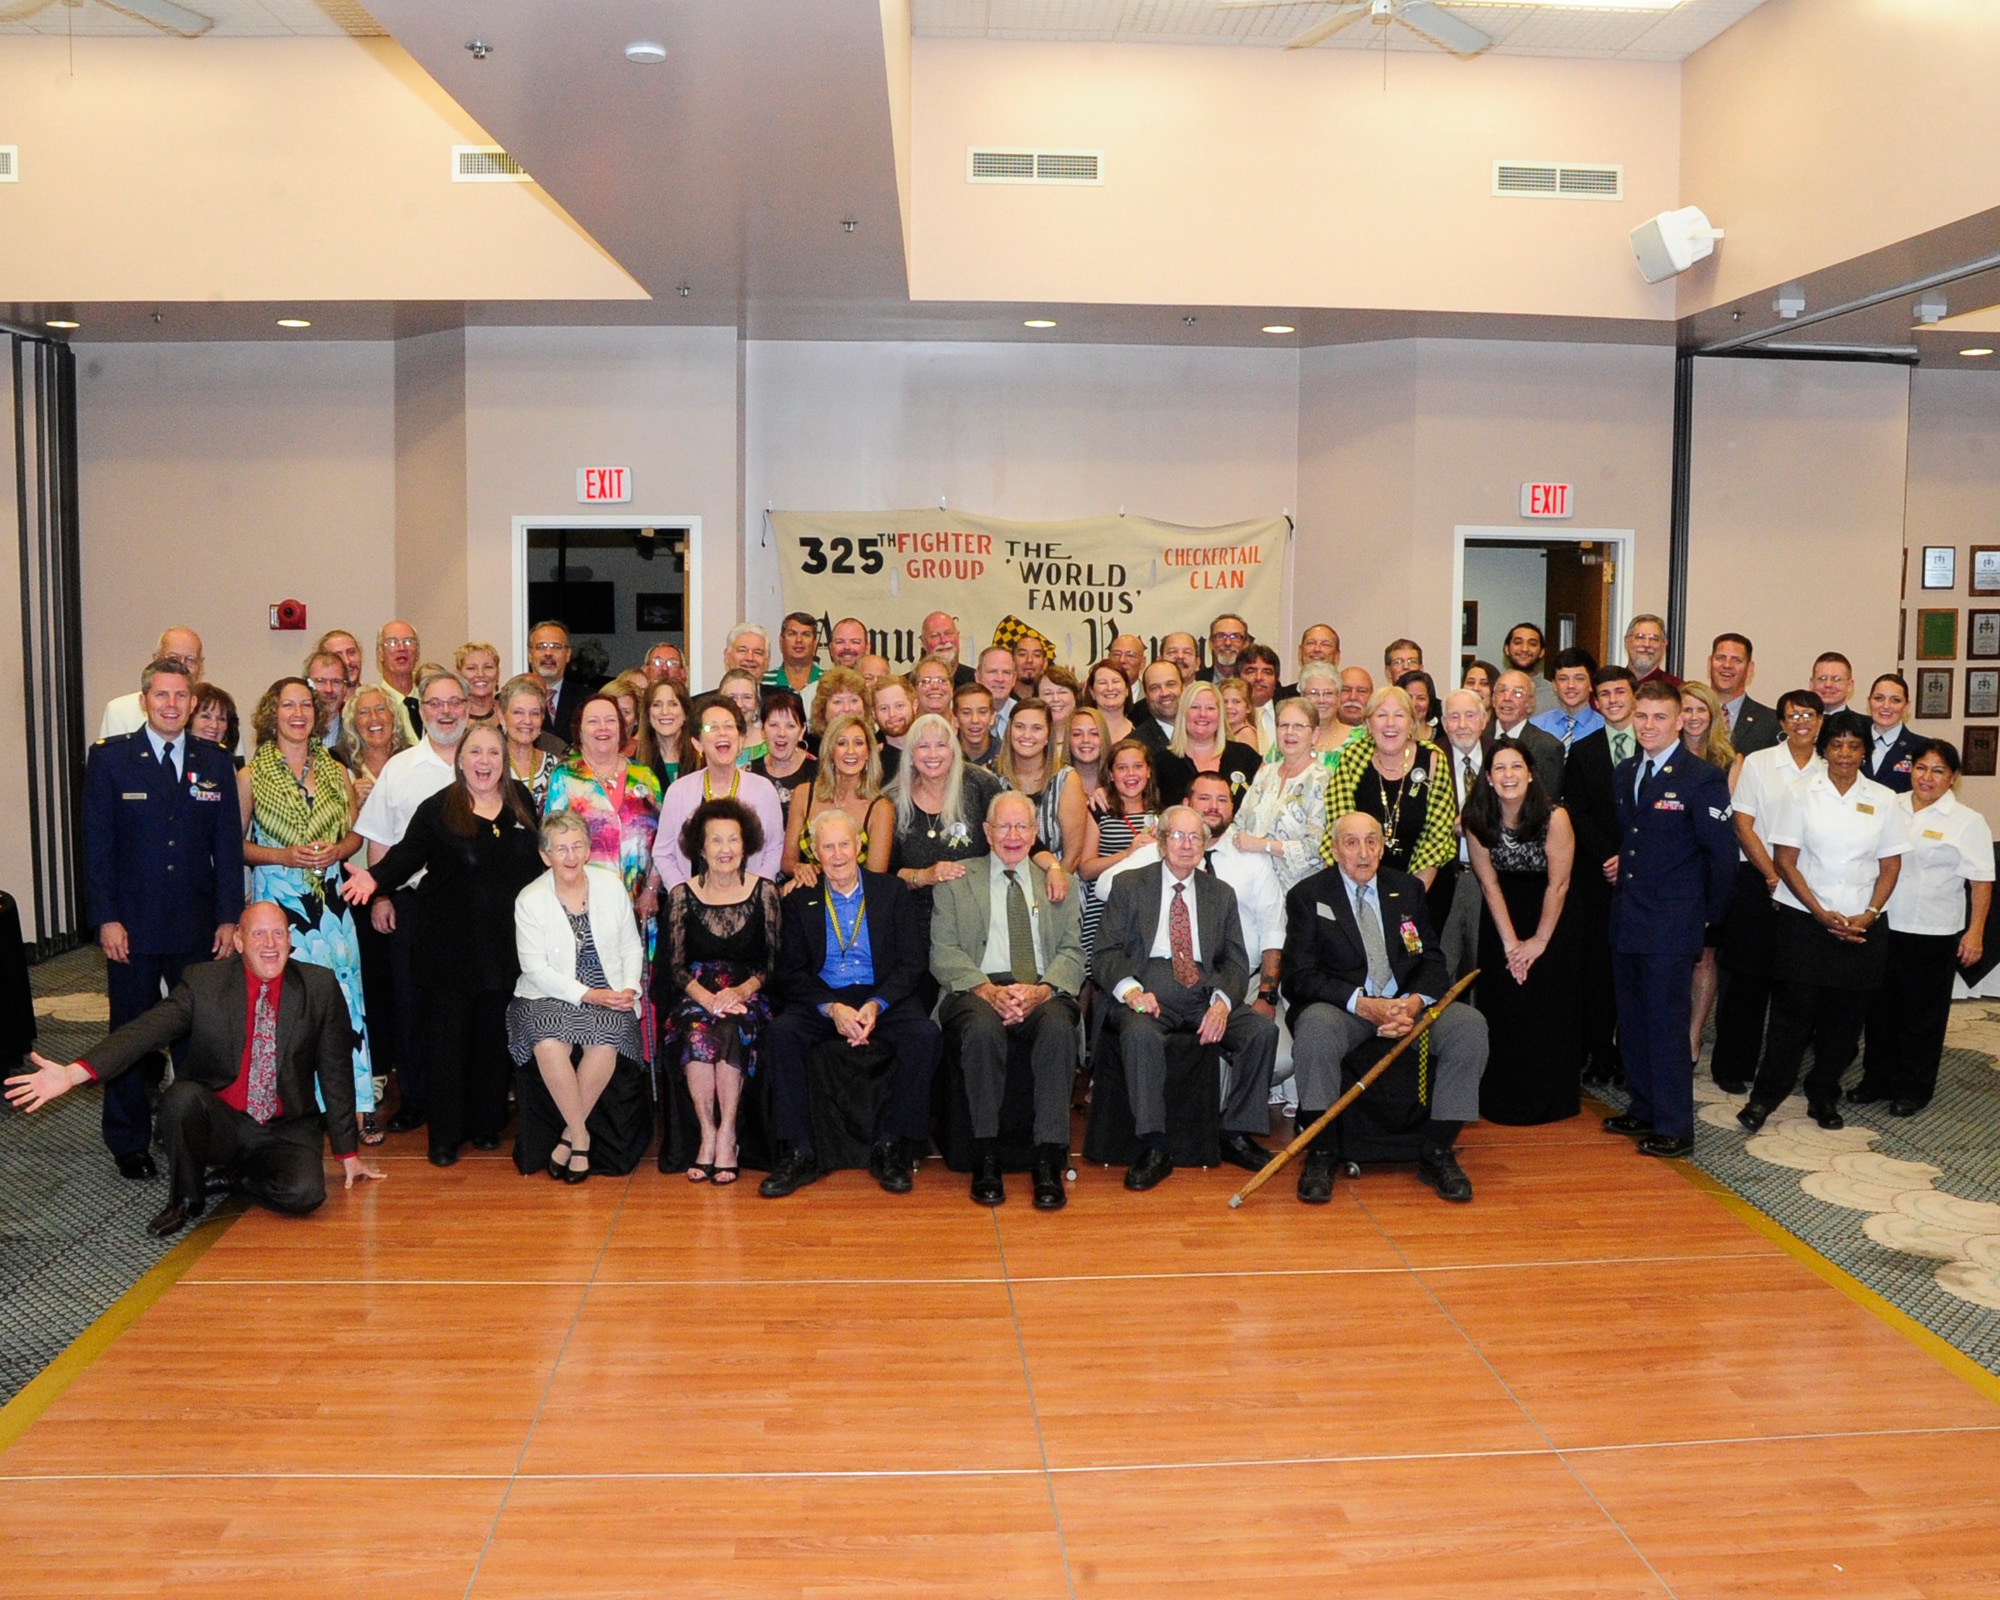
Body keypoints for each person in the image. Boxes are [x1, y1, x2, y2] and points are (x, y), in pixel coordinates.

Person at [7, 903, 384, 1237]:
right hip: (221, 1120)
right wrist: (75, 1073)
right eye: (258, 934)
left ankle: (234, 1177)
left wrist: (347, 1152)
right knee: (183, 1097)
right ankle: (187, 1198)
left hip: (285, 1127)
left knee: (306, 1195)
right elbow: (143, 1032)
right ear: (238, 942)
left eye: (278, 933)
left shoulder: (318, 986)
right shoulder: (205, 983)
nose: (270, 944)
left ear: (290, 940)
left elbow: (335, 1069)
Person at [339, 724, 542, 1165]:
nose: (484, 761)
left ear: (504, 760)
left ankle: (487, 1126)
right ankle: (445, 1137)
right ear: (460, 759)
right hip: (448, 950)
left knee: (492, 1041)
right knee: (447, 1046)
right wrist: (375, 881)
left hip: (504, 949)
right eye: (475, 752)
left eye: (493, 752)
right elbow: (406, 855)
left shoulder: (521, 804)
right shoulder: (438, 808)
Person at [83, 655, 246, 1178]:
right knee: (130, 1033)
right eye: (162, 696)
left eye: (181, 696)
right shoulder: (111, 759)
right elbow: (97, 847)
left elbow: (226, 847)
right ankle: (128, 1140)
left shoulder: (216, 760)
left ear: (193, 701)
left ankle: (199, 1134)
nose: (172, 705)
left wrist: (229, 918)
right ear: (145, 700)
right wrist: (105, 917)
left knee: (199, 1036)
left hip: (198, 925)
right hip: (130, 925)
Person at [1282, 811, 1489, 1204]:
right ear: (1335, 848)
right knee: (1315, 1029)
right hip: (1346, 1007)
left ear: (1382, 846)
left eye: (1372, 841)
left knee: (1468, 1026)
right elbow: (1300, 976)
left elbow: (1431, 960)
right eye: (1352, 842)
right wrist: (1362, 1004)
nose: (1363, 852)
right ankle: (1322, 1152)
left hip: (1407, 1006)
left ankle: (1438, 1150)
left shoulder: (1406, 889)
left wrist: (1412, 1003)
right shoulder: (1309, 896)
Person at [1737, 710, 1908, 1134]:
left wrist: (1867, 914)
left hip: (1862, 925)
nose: (1845, 754)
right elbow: (1786, 861)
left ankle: (1823, 1094)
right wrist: (1818, 911)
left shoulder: (1884, 798)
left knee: (1845, 1022)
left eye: (1853, 745)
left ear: (1865, 750)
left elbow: (1890, 866)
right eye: (1836, 745)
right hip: (1805, 921)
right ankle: (1764, 1098)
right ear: (1824, 749)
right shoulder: (1799, 792)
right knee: (1791, 1018)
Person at [759, 809, 943, 1199]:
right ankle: (799, 1150)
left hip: (880, 996)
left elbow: (912, 962)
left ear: (859, 846)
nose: (838, 854)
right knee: (780, 1034)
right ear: (815, 852)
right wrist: (832, 1009)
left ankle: (892, 1145)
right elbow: (789, 973)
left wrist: (876, 1005)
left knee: (925, 1036)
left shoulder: (890, 891)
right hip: (824, 998)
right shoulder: (799, 898)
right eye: (828, 846)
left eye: (844, 844)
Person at [1093, 805, 1278, 1190]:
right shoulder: (1129, 885)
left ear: (1206, 844)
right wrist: (1131, 992)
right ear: (1162, 843)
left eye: (1195, 837)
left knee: (1260, 1031)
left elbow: (1235, 959)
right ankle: (1155, 1145)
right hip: (1147, 988)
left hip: (1204, 990)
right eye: (1177, 835)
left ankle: (1235, 1133)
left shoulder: (1220, 894)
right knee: (1140, 1035)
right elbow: (1105, 953)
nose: (1186, 844)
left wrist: (1223, 1004)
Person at [237, 677, 376, 1143]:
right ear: (271, 713)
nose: (297, 713)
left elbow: (358, 834)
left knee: (342, 1003)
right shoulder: (249, 775)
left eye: (305, 705)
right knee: (285, 1007)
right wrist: (284, 855)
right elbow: (236, 846)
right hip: (277, 906)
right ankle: (288, 1110)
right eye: (287, 705)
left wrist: (338, 849)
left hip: (332, 907)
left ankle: (350, 1110)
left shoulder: (336, 771)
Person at [930, 791, 1085, 1209]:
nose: (1013, 835)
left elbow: (1073, 951)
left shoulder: (1057, 883)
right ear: (986, 831)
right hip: (976, 986)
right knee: (981, 1029)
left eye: (1022, 827)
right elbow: (943, 952)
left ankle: (1049, 1159)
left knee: (1056, 1027)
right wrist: (988, 991)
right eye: (1003, 826)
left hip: (1042, 985)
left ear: (1035, 832)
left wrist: (1041, 991)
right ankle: (985, 1156)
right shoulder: (959, 880)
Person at [1604, 679, 1737, 1158]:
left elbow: (1721, 857)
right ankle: (1643, 1106)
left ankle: (1676, 1126)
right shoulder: (1626, 772)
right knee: (1634, 1020)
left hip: (1674, 922)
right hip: (1629, 917)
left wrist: (1708, 921)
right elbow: (1634, 839)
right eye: (1641, 716)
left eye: (1660, 717)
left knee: (1665, 1024)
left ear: (1681, 721)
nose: (1648, 726)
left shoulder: (1701, 778)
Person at [354, 665, 471, 1134]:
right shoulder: (399, 769)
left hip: (473, 909)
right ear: (421, 711)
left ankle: (468, 1100)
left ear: (467, 708)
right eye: (436, 704)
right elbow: (379, 842)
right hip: (413, 904)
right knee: (412, 1003)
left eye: (454, 703)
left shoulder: (484, 759)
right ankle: (417, 1098)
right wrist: (381, 895)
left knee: (470, 1005)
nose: (446, 712)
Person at [1855, 739, 1994, 1115]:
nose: (1927, 777)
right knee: (1880, 1009)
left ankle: (1914, 1087)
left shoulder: (1967, 821)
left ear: (1953, 778)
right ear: (1910, 769)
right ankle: (1876, 1080)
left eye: (1938, 771)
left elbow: (1981, 881)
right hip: (1884, 924)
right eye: (1920, 768)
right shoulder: (1890, 805)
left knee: (1921, 1015)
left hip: (1933, 931)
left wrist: (1975, 931)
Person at [507, 811, 646, 1183]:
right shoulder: (530, 899)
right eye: (560, 849)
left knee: (606, 1040)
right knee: (549, 1042)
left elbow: (632, 945)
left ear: (588, 850)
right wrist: (588, 995)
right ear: (545, 855)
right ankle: (581, 1134)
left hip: (610, 985)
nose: (570, 856)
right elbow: (535, 969)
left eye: (577, 846)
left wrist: (629, 986)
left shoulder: (610, 885)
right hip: (548, 993)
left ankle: (568, 1136)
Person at [661, 797, 782, 1186]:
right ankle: (707, 1132)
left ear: (746, 845)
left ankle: (728, 1134)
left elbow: (772, 964)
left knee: (730, 1030)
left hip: (750, 993)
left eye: (733, 840)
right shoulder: (681, 895)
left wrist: (742, 992)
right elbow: (675, 967)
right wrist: (707, 998)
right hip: (696, 993)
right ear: (701, 847)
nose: (725, 849)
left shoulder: (765, 892)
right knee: (698, 1031)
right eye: (716, 841)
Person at [1710, 692, 1826, 1094]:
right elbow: (1743, 824)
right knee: (1747, 981)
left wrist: (1795, 883)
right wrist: (1773, 875)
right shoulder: (1759, 762)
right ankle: (1732, 1066)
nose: (1801, 722)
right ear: (1781, 721)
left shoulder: (1829, 770)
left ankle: (1781, 1071)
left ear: (1821, 721)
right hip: (1757, 881)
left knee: (1795, 984)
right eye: (1793, 715)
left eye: (1809, 715)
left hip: (1809, 892)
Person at [543, 696, 664, 1058]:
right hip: (584, 906)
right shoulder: (565, 777)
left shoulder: (645, 775)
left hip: (641, 903)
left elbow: (664, 838)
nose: (603, 729)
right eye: (593, 721)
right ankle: (595, 1063)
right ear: (579, 730)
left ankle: (635, 1063)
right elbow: (552, 842)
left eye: (610, 721)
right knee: (594, 984)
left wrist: (653, 889)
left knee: (636, 984)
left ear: (623, 728)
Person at [1464, 746, 1579, 1124]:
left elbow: (1558, 885)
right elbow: (1488, 882)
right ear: (1488, 777)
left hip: (1549, 914)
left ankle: (1549, 1100)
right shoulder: (1477, 817)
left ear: (1530, 773)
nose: (1508, 774)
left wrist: (1538, 942)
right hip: (1500, 916)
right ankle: (1499, 1098)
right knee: (1503, 1004)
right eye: (1500, 768)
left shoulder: (1555, 816)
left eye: (1517, 766)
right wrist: (1512, 944)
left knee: (1543, 1006)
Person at [1558, 666, 1638, 1085]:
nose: (1612, 700)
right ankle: (1601, 1057)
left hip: (1645, 879)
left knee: (1637, 971)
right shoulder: (1584, 750)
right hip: (1597, 877)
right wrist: (1609, 855)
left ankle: (1631, 1057)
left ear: (1634, 695)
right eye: (1604, 694)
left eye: (1619, 692)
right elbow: (1577, 809)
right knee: (1598, 972)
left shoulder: (1653, 745)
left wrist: (1631, 856)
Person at [1316, 685, 1456, 888]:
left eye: (1399, 715)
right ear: (1369, 724)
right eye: (1381, 715)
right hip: (1359, 881)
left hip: (1424, 883)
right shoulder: (1353, 758)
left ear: (1411, 723)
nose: (1390, 724)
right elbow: (1340, 826)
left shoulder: (1433, 758)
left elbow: (1438, 834)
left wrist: (1412, 892)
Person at [889, 712, 1007, 949]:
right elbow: (885, 874)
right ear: (911, 755)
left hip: (978, 920)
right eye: (923, 746)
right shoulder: (892, 802)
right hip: (913, 924)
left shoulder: (981, 784)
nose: (933, 754)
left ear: (953, 750)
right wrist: (924, 876)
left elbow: (1007, 842)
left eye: (941, 745)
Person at [656, 698, 787, 888]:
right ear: (697, 743)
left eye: (728, 726)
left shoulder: (764, 789)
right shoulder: (678, 791)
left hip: (751, 897)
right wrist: (681, 890)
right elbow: (662, 852)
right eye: (711, 728)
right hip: (692, 900)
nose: (722, 733)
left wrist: (757, 889)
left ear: (741, 740)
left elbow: (775, 848)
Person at [1680, 680, 1741, 1057]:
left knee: (1705, 956)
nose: (1694, 717)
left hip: (1710, 870)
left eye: (1701, 709)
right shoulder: (1659, 753)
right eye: (1687, 709)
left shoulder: (1731, 761)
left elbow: (1724, 822)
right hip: (1671, 870)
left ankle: (1693, 1033)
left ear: (1714, 715)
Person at [1228, 696, 1331, 892]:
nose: (1289, 732)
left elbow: (1316, 849)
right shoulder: (1265, 773)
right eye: (1283, 725)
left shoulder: (1321, 780)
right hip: (1250, 884)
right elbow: (1238, 823)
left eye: (1299, 726)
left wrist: (1262, 845)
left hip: (1297, 892)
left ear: (1315, 734)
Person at [782, 713, 895, 886]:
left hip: (856, 898)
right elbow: (787, 862)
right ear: (830, 751)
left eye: (858, 743)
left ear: (868, 753)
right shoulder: (803, 794)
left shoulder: (880, 808)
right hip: (809, 890)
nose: (851, 751)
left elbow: (876, 879)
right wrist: (799, 868)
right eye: (842, 743)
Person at [1431, 688, 1495, 981]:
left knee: (1486, 964)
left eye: (1470, 715)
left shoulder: (1502, 755)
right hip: (1444, 878)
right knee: (1442, 963)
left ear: (1484, 719)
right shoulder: (1429, 758)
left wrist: (1472, 822)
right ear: (1444, 723)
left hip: (1492, 878)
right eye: (1454, 717)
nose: (1462, 724)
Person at [1079, 738, 1161, 959]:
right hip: (1105, 911)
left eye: (1138, 766)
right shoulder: (1099, 810)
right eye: (1122, 768)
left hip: (1149, 914)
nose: (1131, 774)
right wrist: (1127, 854)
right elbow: (1085, 870)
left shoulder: (1162, 814)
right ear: (1111, 775)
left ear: (1149, 771)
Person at [1155, 680, 1261, 809]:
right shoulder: (1161, 763)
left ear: (1220, 714)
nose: (1203, 714)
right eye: (1195, 707)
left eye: (1210, 708)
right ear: (1183, 713)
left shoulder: (1245, 756)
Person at [99, 626, 205, 740]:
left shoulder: (214, 713)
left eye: (190, 660)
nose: (181, 665)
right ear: (156, 658)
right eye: (174, 658)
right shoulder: (120, 711)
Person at [1489, 671, 1566, 798]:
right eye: (1502, 691)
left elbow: (1548, 802)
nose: (1507, 698)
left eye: (1517, 693)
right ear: (1493, 700)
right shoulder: (1479, 739)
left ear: (1530, 705)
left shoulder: (1548, 747)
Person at [1708, 632, 1779, 754]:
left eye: (1736, 660)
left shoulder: (1771, 722)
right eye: (1721, 658)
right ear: (1710, 663)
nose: (1727, 665)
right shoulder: (1687, 715)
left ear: (1750, 668)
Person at [527, 620, 593, 742]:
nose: (548, 653)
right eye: (541, 647)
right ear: (530, 654)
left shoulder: (589, 700)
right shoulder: (510, 700)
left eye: (556, 647)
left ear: (567, 654)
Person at [498, 676, 558, 808]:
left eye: (535, 713)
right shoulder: (490, 765)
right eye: (518, 712)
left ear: (543, 718)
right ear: (502, 716)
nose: (527, 721)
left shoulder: (555, 767)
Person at [751, 686, 817, 805]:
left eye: (790, 726)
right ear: (762, 729)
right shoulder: (750, 772)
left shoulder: (818, 773)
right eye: (774, 725)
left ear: (801, 731)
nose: (781, 733)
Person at [1531, 647, 1604, 750]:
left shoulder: (1604, 727)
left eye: (1579, 679)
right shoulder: (1536, 727)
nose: (1571, 685)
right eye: (1563, 679)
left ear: (1591, 684)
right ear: (1554, 685)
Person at [1863, 673, 1922, 793]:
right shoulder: (1852, 743)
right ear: (1869, 702)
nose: (1886, 706)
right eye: (1879, 698)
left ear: (1906, 706)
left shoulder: (1922, 748)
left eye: (1895, 700)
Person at [639, 678, 694, 792]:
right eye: (656, 705)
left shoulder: (702, 760)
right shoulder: (635, 764)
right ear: (648, 714)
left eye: (673, 704)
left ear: (686, 713)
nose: (664, 711)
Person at [374, 620, 424, 745]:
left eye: (408, 642)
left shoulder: (430, 701)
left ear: (417, 653)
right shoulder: (374, 706)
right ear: (380, 654)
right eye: (392, 643)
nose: (401, 648)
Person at [1501, 622, 1557, 712]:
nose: (1525, 649)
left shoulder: (1554, 694)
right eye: (1518, 642)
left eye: (1532, 644)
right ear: (1507, 649)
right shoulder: (1494, 689)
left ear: (1542, 652)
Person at [809, 667, 867, 752]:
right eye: (838, 702)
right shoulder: (808, 748)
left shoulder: (876, 746)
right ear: (823, 709)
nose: (847, 709)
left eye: (854, 700)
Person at [1236, 644, 1283, 750]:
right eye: (1251, 671)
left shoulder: (1289, 713)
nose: (1259, 678)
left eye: (1267, 672)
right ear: (1237, 677)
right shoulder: (1225, 716)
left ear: (1276, 679)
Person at [1296, 663, 1346, 761]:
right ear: (1302, 696)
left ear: (1338, 698)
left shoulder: (1360, 740)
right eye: (1313, 693)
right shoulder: (1288, 737)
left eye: (1328, 693)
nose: (1321, 700)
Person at [871, 673, 916, 782]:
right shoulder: (872, 762)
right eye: (884, 708)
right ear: (873, 713)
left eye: (899, 705)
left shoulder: (934, 751)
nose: (892, 714)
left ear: (914, 706)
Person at [719, 668, 769, 763]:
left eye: (747, 697)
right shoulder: (710, 743)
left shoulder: (771, 742)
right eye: (732, 698)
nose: (739, 705)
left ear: (756, 702)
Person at [305, 650, 351, 750]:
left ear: (345, 688)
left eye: (336, 682)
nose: (328, 690)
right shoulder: (293, 734)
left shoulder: (355, 736)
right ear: (307, 685)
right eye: (320, 681)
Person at [766, 610, 823, 692]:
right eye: (792, 634)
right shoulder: (763, 682)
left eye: (806, 634)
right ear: (781, 641)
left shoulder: (830, 681)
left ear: (815, 644)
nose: (799, 640)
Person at [189, 683, 243, 769]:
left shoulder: (225, 761)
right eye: (206, 717)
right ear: (189, 720)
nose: (214, 725)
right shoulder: (177, 760)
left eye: (221, 719)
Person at [1133, 661, 1182, 751]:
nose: (1164, 693)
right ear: (1146, 696)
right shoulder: (1136, 746)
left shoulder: (1205, 732)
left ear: (1183, 688)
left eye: (1171, 684)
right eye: (1155, 688)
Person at [1085, 660, 1135, 746]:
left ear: (1127, 689)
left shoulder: (1141, 734)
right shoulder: (1081, 734)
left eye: (1115, 681)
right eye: (1102, 683)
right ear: (1092, 692)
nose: (1110, 688)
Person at [1037, 666, 1080, 763]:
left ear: (1075, 697)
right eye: (1048, 694)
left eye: (1062, 692)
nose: (1055, 699)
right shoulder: (1031, 739)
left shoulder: (1088, 738)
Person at [954, 682, 1001, 770]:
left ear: (992, 717)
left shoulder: (1005, 756)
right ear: (955, 719)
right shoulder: (945, 755)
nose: (975, 720)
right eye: (966, 713)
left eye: (982, 712)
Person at [920, 611, 974, 687]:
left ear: (958, 637)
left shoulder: (977, 681)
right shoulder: (907, 686)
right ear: (923, 643)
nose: (943, 640)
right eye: (935, 636)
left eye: (948, 633)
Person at [976, 645, 1019, 738]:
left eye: (1006, 672)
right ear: (978, 676)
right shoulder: (964, 715)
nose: (1000, 679)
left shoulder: (1022, 714)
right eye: (992, 672)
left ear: (1014, 679)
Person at [1624, 613, 1678, 686]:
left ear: (1664, 645)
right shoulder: (1612, 687)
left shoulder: (1677, 689)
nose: (1646, 644)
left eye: (1654, 639)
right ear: (1627, 642)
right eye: (1640, 637)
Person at [455, 641, 502, 723]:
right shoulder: (451, 717)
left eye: (488, 667)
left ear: (497, 674)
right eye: (471, 668)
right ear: (460, 674)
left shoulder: (510, 714)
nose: (480, 674)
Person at [1396, 670, 1440, 748]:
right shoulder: (1391, 738)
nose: (1414, 704)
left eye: (1421, 698)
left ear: (1430, 701)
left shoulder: (1442, 738)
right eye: (1408, 697)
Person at [1201, 614, 1250, 682]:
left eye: (1235, 637)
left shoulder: (1253, 684)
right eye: (1221, 636)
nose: (1228, 643)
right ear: (1211, 643)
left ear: (1246, 644)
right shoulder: (1197, 680)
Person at [1334, 667, 1374, 735]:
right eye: (1346, 690)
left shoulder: (1379, 735)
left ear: (1372, 696)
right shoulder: (1320, 733)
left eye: (1361, 691)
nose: (1353, 697)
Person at [1011, 630, 1050, 699]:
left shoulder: (1050, 701)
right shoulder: (1000, 700)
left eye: (1036, 655)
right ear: (1012, 661)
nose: (1029, 660)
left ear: (1045, 664)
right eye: (1022, 654)